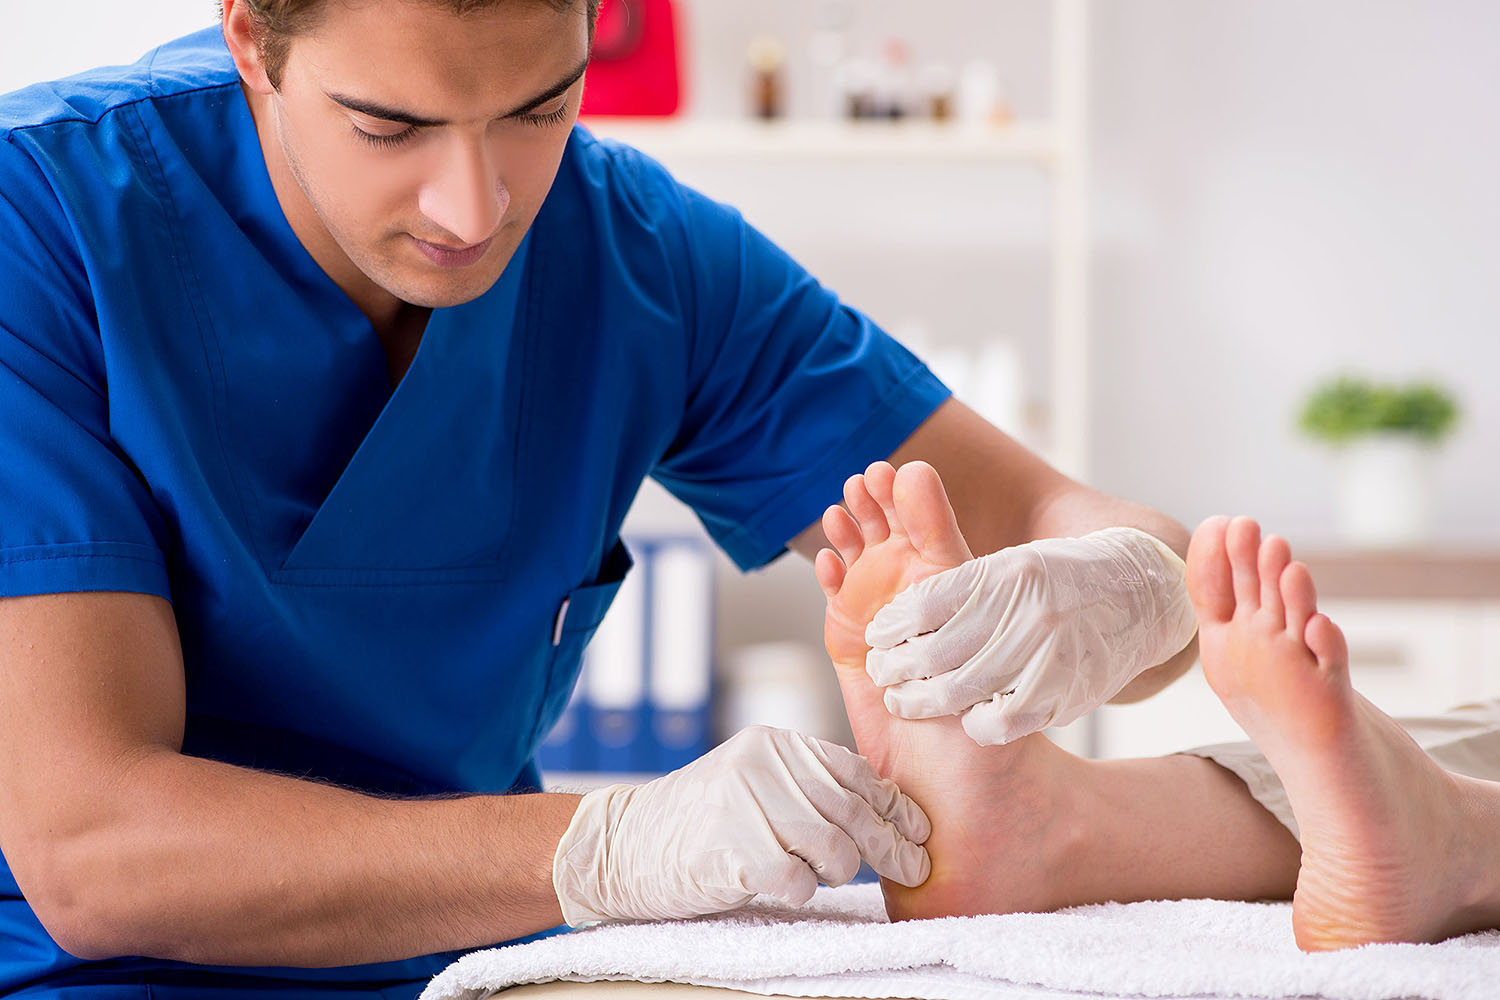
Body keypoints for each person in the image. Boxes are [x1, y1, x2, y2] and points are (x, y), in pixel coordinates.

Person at [0, 1, 1203, 996]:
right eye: (389, 126)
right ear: (254, 42)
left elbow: (1067, 517)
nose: (473, 215)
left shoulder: (634, 253)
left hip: (476, 966)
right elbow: (92, 851)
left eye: (540, 108)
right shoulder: (42, 226)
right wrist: (608, 844)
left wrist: (1132, 593)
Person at [817, 460, 1500, 950]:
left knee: (1454, 749)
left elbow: (1038, 499)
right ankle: (1043, 829)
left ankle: (1451, 835)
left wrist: (1143, 576)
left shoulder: (744, 308)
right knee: (1459, 745)